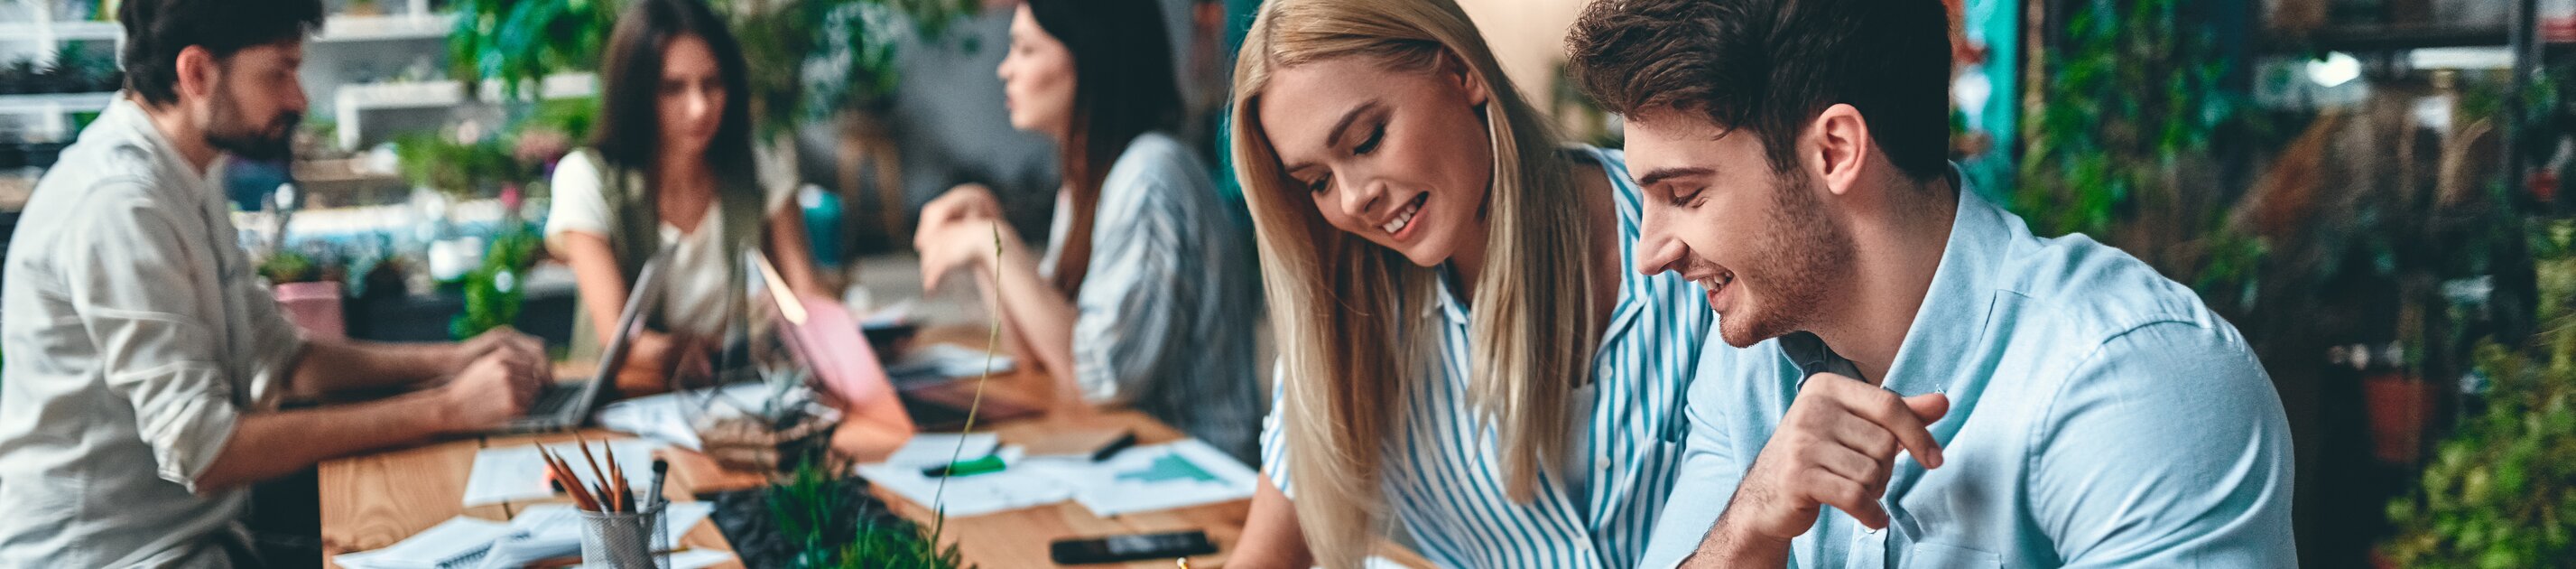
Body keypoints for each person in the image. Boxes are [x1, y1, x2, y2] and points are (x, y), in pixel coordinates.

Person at [1563, 0, 2299, 566]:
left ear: (1835, 151)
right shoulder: (1747, 360)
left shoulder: (2133, 383)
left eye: (1686, 195)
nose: (1651, 253)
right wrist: (1749, 526)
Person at [0, 0, 554, 564]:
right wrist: (447, 409)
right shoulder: (119, 204)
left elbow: (286, 359)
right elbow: (207, 449)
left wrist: (455, 361)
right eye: (279, 72)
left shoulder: (188, 170)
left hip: (200, 541)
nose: (299, 98)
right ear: (196, 73)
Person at [1220, 0, 1717, 566]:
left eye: (1365, 141)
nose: (1354, 198)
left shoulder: (1692, 238)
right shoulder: (1349, 317)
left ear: (1462, 72)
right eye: (1316, 182)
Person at [545, 0, 912, 461]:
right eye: (672, 88)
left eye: (712, 84)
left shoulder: (759, 163)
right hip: (625, 425)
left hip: (743, 414)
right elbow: (618, 339)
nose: (699, 108)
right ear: (636, 92)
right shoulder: (588, 178)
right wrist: (691, 351)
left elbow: (805, 293)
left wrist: (853, 341)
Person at [913, 0, 1264, 460]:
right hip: (1132, 469)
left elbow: (1097, 379)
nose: (1005, 69)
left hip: (1196, 493)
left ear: (1089, 58)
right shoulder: (1088, 179)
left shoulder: (1150, 177)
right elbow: (1037, 355)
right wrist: (988, 237)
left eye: (1024, 49)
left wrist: (994, 243)